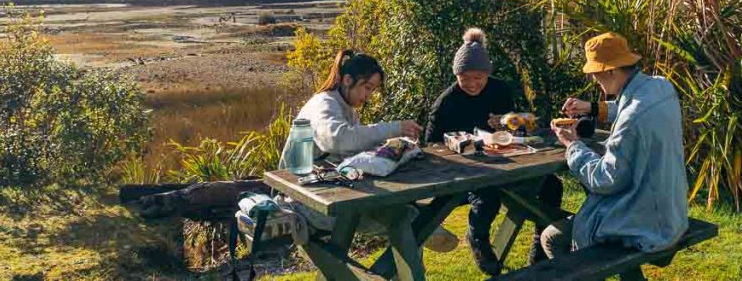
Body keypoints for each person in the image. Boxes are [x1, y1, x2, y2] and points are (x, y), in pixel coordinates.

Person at [283, 49, 457, 252]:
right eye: (367, 88)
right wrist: (395, 127)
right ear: (348, 80)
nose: (368, 96)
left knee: (405, 213)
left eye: (372, 90)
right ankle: (425, 235)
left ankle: (422, 236)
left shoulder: (345, 108)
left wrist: (395, 147)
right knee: (404, 220)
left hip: (330, 193)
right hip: (307, 202)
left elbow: (352, 148)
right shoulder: (324, 104)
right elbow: (338, 140)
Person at [425, 28, 563, 275]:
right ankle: (478, 239)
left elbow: (523, 124)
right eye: (464, 77)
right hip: (467, 171)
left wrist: (508, 120)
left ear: (487, 74)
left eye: (479, 77)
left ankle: (541, 247)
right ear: (456, 74)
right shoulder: (445, 102)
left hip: (507, 161)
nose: (472, 83)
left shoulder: (500, 90)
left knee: (552, 185)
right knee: (487, 195)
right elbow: (431, 147)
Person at [542, 32, 688, 259]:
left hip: (647, 226)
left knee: (551, 237)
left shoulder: (631, 120)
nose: (594, 80)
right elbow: (630, 106)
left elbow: (604, 179)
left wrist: (573, 145)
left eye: (595, 74)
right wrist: (592, 108)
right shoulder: (661, 88)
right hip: (672, 213)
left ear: (610, 71)